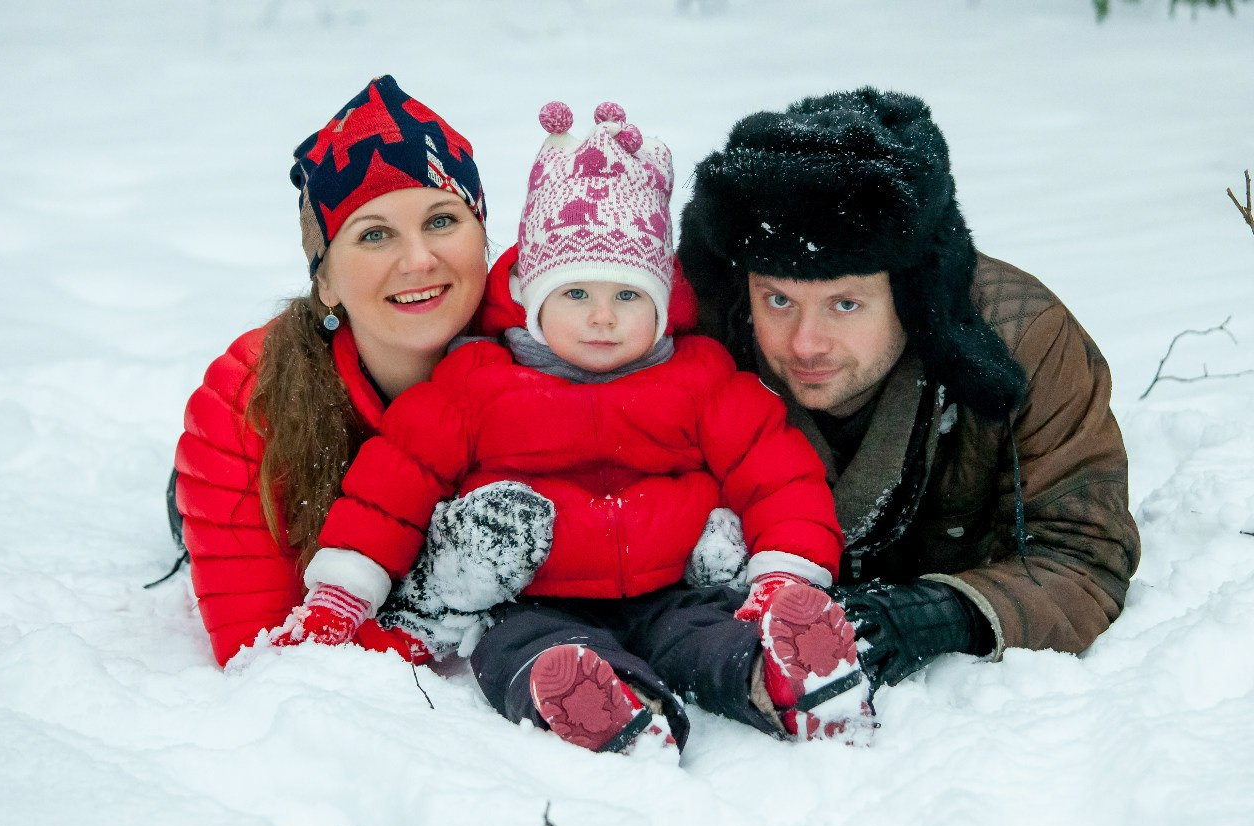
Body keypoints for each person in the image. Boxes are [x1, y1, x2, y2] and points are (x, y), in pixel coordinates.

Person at [296, 102, 873, 754]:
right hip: (540, 596)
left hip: (672, 588)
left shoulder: (701, 377)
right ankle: (602, 706)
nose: (602, 318)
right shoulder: (478, 382)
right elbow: (393, 483)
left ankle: (789, 677)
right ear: (535, 299)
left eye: (627, 296)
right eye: (575, 295)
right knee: (515, 646)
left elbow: (779, 472)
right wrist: (344, 589)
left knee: (711, 638)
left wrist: (784, 575)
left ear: (660, 305)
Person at [676, 87, 1141, 689]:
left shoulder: (1023, 341)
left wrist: (945, 614)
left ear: (915, 295)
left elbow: (1083, 554)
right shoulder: (696, 337)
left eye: (846, 303)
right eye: (780, 299)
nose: (804, 343)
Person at [172, 76, 554, 667]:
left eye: (442, 221)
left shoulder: (559, 339)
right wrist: (431, 608)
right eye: (374, 234)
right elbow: (266, 654)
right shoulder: (247, 400)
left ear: (483, 237)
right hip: (233, 477)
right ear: (324, 281)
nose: (419, 259)